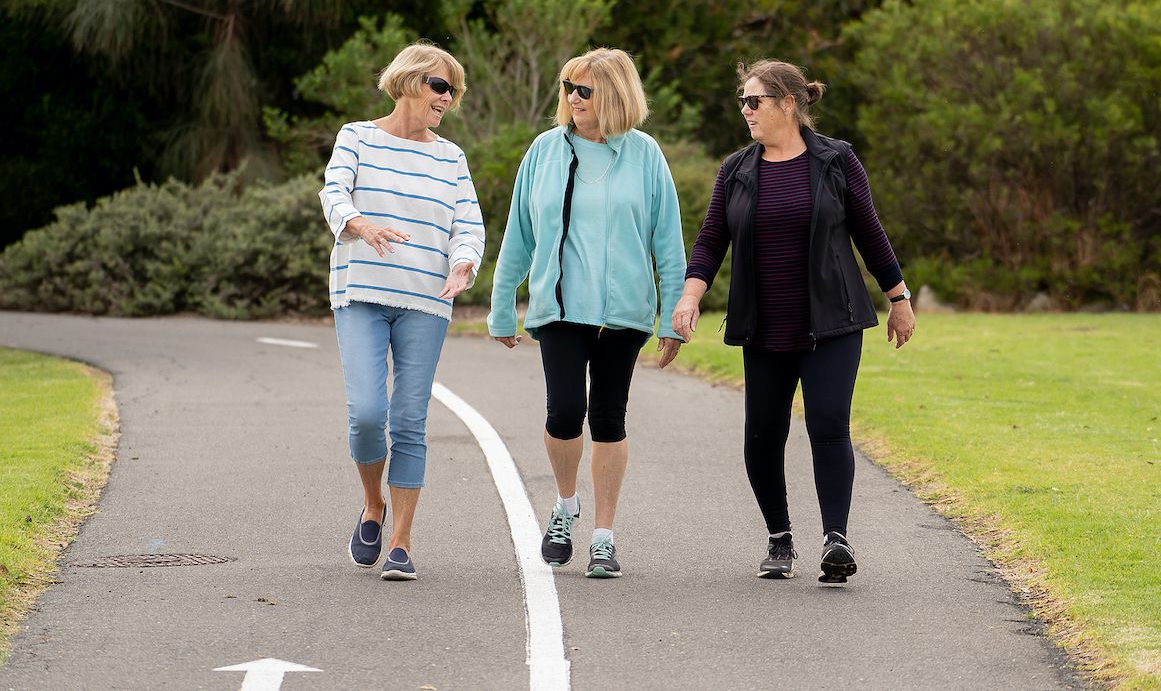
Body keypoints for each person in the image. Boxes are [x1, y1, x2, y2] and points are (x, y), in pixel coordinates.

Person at [672, 59, 915, 584]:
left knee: (829, 425)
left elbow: (869, 232)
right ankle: (779, 539)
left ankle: (835, 539)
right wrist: (690, 297)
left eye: (753, 101)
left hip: (831, 321)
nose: (745, 111)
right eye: (742, 101)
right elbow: (712, 239)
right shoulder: (736, 168)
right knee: (762, 435)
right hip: (764, 326)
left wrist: (899, 297)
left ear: (788, 103)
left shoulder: (836, 160)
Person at [488, 47, 687, 578]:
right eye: (568, 88)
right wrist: (502, 303)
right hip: (559, 307)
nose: (573, 98)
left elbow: (668, 241)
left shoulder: (646, 155)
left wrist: (672, 316)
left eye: (585, 90)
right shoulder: (544, 151)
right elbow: (520, 234)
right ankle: (564, 504)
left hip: (625, 311)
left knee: (608, 418)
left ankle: (603, 534)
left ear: (615, 94)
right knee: (563, 411)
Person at [318, 42, 485, 581]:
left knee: (410, 420)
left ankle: (402, 543)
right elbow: (333, 192)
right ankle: (372, 504)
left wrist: (463, 265)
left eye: (453, 91)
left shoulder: (450, 156)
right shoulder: (357, 137)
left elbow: (469, 224)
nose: (447, 98)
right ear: (409, 83)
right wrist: (359, 225)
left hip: (425, 302)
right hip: (361, 293)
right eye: (441, 86)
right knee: (368, 414)